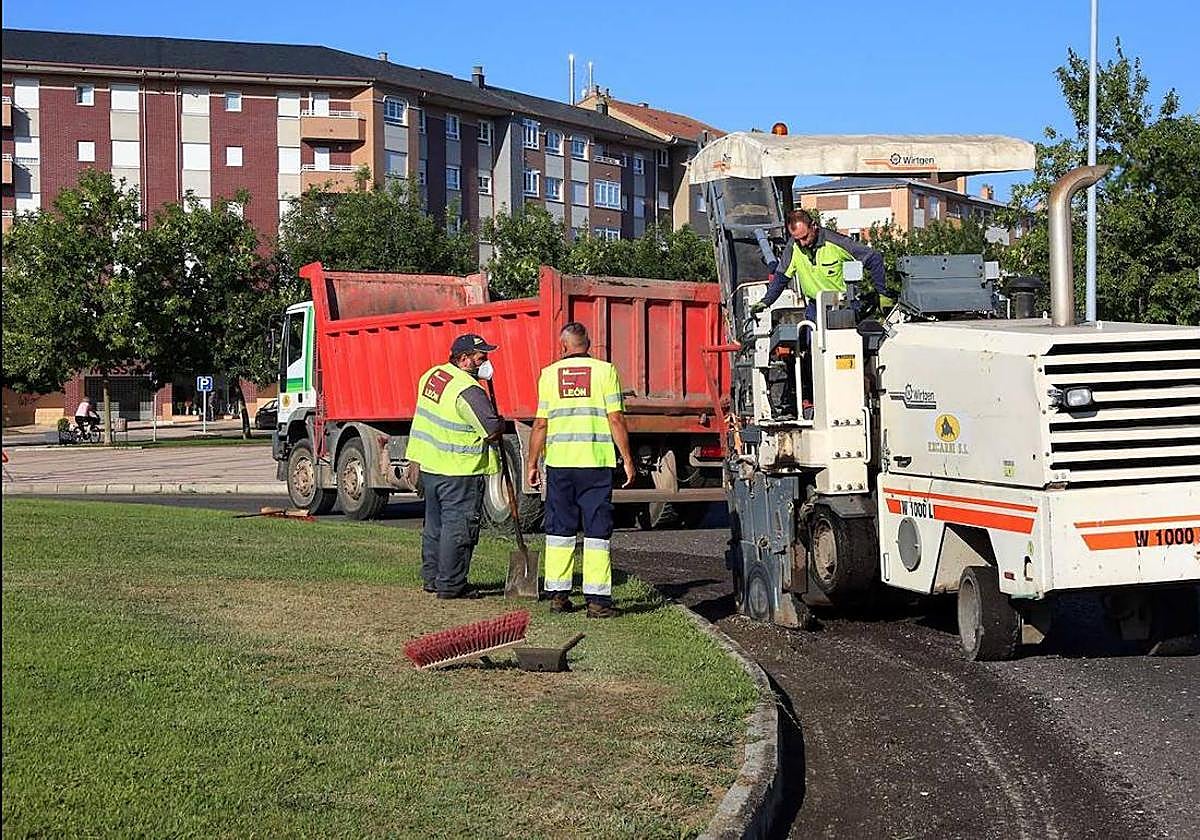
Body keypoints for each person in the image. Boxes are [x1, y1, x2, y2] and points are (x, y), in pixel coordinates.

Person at [526, 323, 636, 619]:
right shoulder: (605, 371)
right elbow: (615, 419)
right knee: (597, 531)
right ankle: (598, 601)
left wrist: (532, 463)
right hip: (595, 464)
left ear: (563, 346)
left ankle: (558, 596)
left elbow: (540, 424)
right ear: (589, 344)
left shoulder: (548, 375)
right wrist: (627, 458)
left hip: (560, 464)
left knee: (559, 529)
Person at [405, 333, 503, 600]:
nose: (486, 362)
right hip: (460, 470)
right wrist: (500, 422)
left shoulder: (433, 375)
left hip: (432, 465)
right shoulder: (468, 390)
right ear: (463, 360)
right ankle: (450, 585)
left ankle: (433, 579)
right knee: (458, 529)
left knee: (435, 527)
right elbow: (490, 429)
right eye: (481, 358)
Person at [752, 209, 891, 319]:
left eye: (805, 237)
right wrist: (766, 301)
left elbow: (874, 258)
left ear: (813, 226)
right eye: (797, 239)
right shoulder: (793, 247)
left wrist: (882, 293)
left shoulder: (837, 243)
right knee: (809, 347)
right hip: (815, 308)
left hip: (843, 307)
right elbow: (781, 277)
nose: (802, 243)